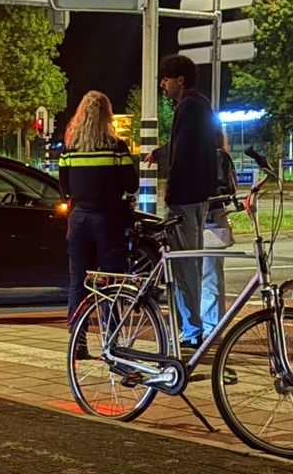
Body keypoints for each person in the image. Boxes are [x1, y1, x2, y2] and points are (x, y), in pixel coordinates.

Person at [145, 55, 219, 349]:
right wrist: (159, 153)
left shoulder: (187, 107)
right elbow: (186, 145)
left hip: (185, 200)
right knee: (191, 263)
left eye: (165, 78)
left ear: (180, 80)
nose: (162, 84)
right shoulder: (200, 105)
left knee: (183, 265)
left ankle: (191, 332)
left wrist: (171, 193)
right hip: (199, 198)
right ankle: (192, 328)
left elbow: (184, 153)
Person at [58, 90, 139, 324]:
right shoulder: (116, 147)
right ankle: (112, 337)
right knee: (111, 282)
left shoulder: (70, 148)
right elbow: (131, 185)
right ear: (107, 116)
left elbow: (63, 187)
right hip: (108, 219)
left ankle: (77, 341)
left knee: (77, 282)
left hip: (79, 219)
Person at [203, 126, 238, 339]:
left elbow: (223, 188)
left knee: (209, 275)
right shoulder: (219, 155)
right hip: (213, 220)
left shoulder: (216, 156)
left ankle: (211, 327)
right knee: (210, 274)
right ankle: (210, 325)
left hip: (211, 220)